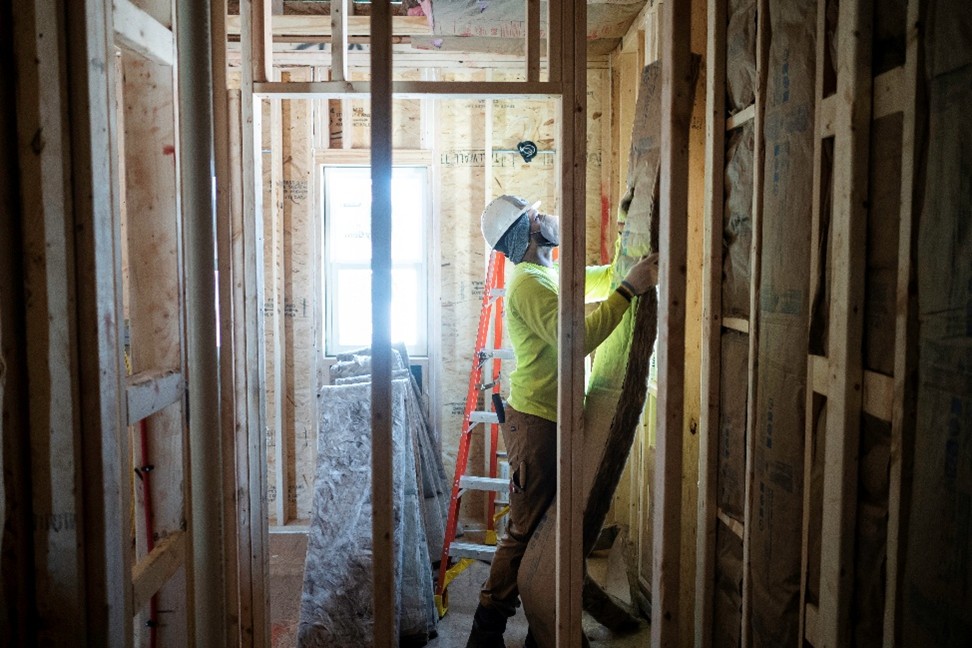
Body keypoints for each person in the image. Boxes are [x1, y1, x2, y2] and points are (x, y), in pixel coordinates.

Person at [466, 194, 659, 648]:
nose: (546, 216)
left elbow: (609, 279)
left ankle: (543, 624)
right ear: (526, 233)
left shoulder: (548, 275)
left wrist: (626, 234)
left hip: (549, 421)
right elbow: (578, 339)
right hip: (535, 425)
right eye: (535, 216)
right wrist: (631, 290)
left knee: (549, 530)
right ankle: (486, 628)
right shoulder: (529, 285)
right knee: (525, 529)